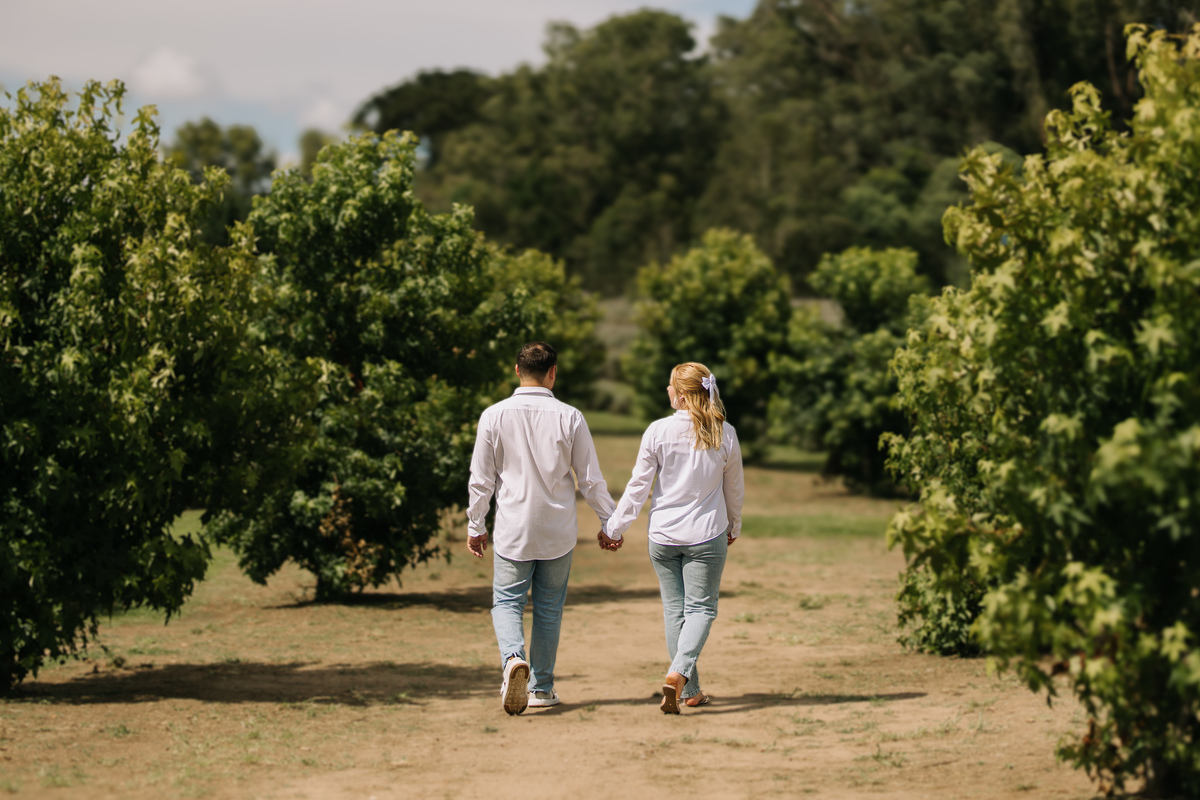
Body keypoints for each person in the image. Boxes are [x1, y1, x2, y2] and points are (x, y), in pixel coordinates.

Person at [467, 341, 615, 716]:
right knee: (549, 609)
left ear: (517, 370)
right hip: (557, 530)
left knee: (507, 602)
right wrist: (609, 522)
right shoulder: (571, 417)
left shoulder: (493, 415)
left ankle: (513, 659)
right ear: (553, 372)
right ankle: (542, 688)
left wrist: (475, 524)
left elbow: (481, 480)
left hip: (513, 527)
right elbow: (590, 479)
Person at [599, 362, 744, 714]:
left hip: (663, 538)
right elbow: (734, 489)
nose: (666, 390)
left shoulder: (657, 431)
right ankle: (679, 672)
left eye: (669, 386)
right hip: (706, 535)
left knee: (674, 611)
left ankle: (689, 691)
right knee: (701, 608)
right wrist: (734, 525)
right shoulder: (725, 433)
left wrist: (614, 528)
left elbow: (638, 487)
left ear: (680, 395)